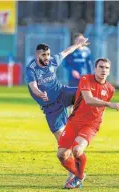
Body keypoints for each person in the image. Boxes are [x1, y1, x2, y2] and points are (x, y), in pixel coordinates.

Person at [25, 37, 89, 183]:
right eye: (43, 55)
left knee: (83, 91)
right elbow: (33, 86)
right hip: (50, 108)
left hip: (62, 93)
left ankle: (80, 117)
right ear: (37, 55)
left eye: (48, 54)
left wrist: (78, 44)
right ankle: (74, 173)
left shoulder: (53, 61)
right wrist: (38, 92)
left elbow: (66, 52)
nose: (47, 57)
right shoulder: (31, 69)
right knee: (64, 148)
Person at [57, 58, 119, 189]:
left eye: (106, 68)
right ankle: (79, 174)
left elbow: (101, 109)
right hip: (74, 121)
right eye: (101, 67)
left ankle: (78, 178)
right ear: (95, 68)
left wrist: (99, 122)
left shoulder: (110, 89)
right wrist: (109, 104)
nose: (104, 70)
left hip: (91, 125)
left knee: (77, 149)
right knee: (62, 155)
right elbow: (88, 99)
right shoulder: (85, 79)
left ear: (109, 71)